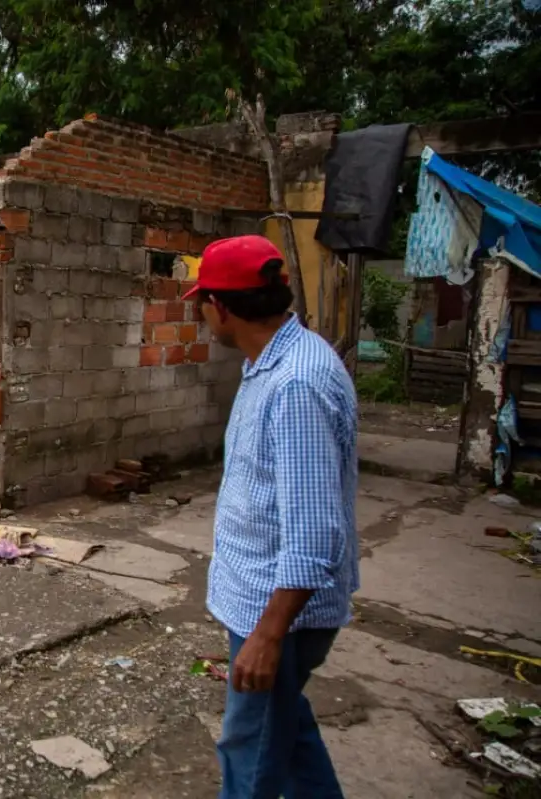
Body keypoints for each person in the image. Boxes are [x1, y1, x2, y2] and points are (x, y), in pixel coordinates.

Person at [180, 235, 358, 799]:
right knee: (291, 735)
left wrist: (268, 635)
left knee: (249, 752)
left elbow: (313, 534)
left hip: (276, 613)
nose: (200, 310)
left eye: (201, 300)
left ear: (222, 307)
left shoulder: (295, 384)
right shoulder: (274, 359)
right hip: (260, 602)